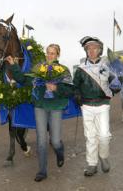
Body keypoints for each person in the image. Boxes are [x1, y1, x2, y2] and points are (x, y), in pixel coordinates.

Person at [6, 44, 74, 182]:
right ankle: (42, 171)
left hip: (56, 107)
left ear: (58, 55)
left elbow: (69, 91)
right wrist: (13, 65)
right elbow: (23, 79)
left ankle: (60, 152)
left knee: (55, 141)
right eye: (48, 53)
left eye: (53, 53)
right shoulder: (39, 69)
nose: (50, 56)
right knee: (41, 141)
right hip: (40, 107)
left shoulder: (64, 71)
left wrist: (56, 88)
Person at [73, 36, 116, 176]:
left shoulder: (107, 65)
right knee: (90, 136)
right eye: (88, 48)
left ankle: (103, 156)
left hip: (103, 104)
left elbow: (115, 83)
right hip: (86, 106)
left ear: (99, 50)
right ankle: (92, 164)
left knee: (104, 135)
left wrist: (117, 85)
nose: (91, 50)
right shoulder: (80, 68)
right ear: (86, 51)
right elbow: (75, 85)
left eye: (94, 48)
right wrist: (77, 94)